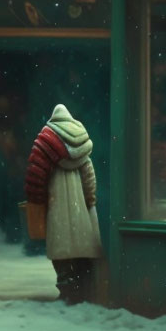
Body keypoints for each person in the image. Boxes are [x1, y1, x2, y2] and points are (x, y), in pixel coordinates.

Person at [24, 104, 102, 304]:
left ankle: (65, 288)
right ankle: (81, 290)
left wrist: (37, 202)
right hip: (79, 206)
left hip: (56, 202)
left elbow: (36, 175)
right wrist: (90, 200)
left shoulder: (45, 141)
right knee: (81, 247)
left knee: (61, 249)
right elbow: (89, 177)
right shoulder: (82, 142)